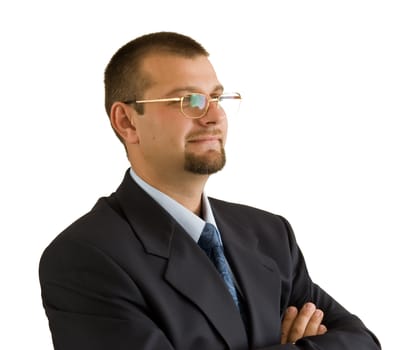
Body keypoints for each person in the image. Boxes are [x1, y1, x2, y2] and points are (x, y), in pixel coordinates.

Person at [39, 31, 381, 350]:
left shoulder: (269, 234)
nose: (214, 115)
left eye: (216, 97)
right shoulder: (85, 257)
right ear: (127, 121)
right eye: (190, 100)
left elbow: (361, 341)